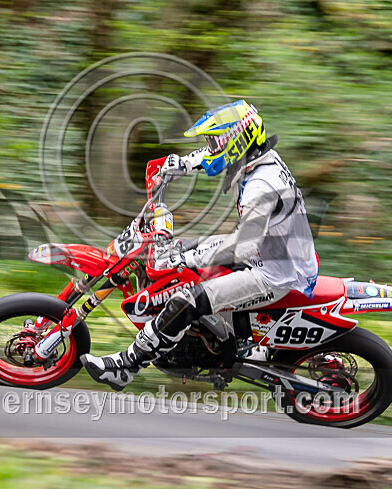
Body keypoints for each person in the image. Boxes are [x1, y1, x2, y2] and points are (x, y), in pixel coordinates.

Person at [80, 100, 319, 391]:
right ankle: (212, 336)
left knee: (185, 300)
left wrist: (187, 259)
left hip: (274, 272)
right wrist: (179, 165)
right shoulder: (257, 159)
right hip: (271, 250)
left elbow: (243, 247)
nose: (211, 148)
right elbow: (212, 157)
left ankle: (126, 367)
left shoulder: (261, 186)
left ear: (236, 142)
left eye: (215, 141)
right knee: (178, 250)